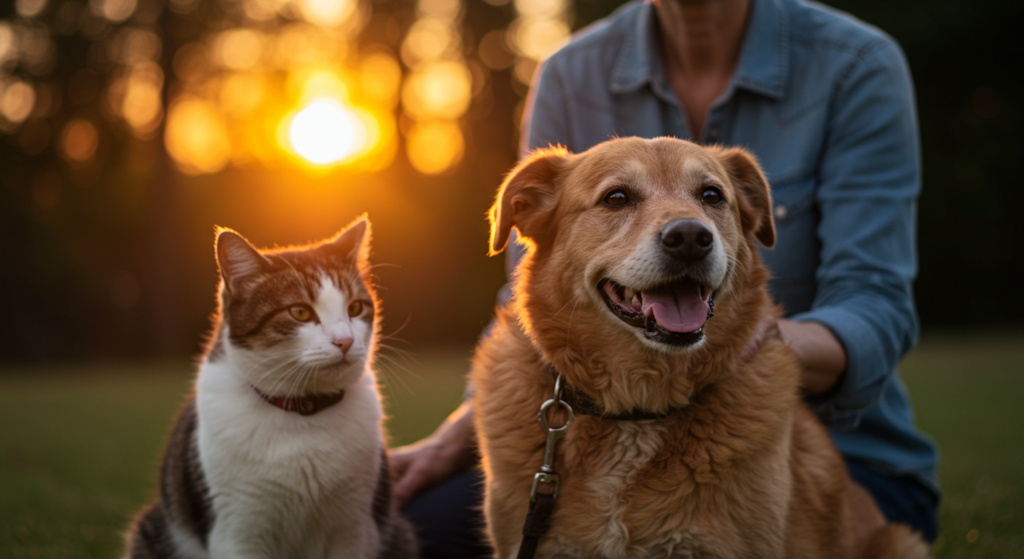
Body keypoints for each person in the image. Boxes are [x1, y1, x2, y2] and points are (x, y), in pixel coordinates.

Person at [391, 0, 939, 556]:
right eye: (617, 198)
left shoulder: (855, 62)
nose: (687, 229)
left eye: (711, 198)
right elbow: (530, 294)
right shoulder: (570, 70)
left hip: (843, 452)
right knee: (417, 529)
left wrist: (752, 343)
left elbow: (875, 304)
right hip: (573, 418)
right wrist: (452, 438)